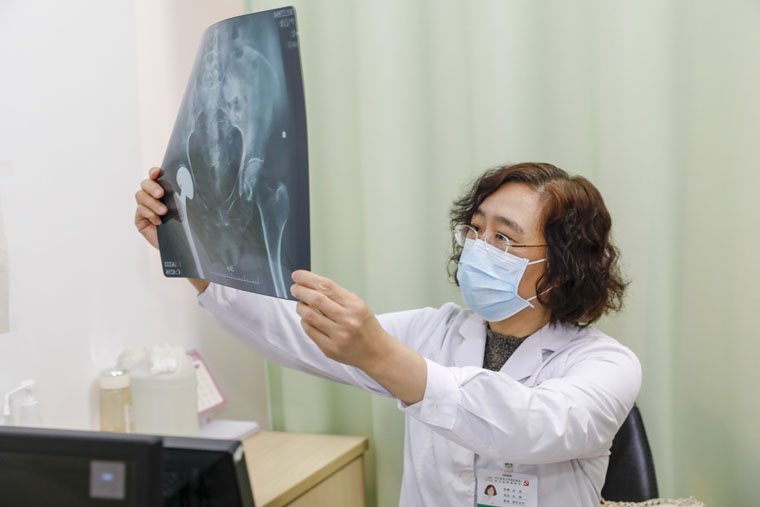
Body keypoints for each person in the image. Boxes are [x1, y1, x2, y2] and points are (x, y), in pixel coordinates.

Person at [134, 162, 641, 507]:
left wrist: (379, 355)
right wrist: (184, 249)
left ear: (561, 269)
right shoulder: (435, 330)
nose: (478, 247)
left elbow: (534, 424)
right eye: (475, 229)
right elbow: (292, 332)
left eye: (504, 237)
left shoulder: (606, 365)